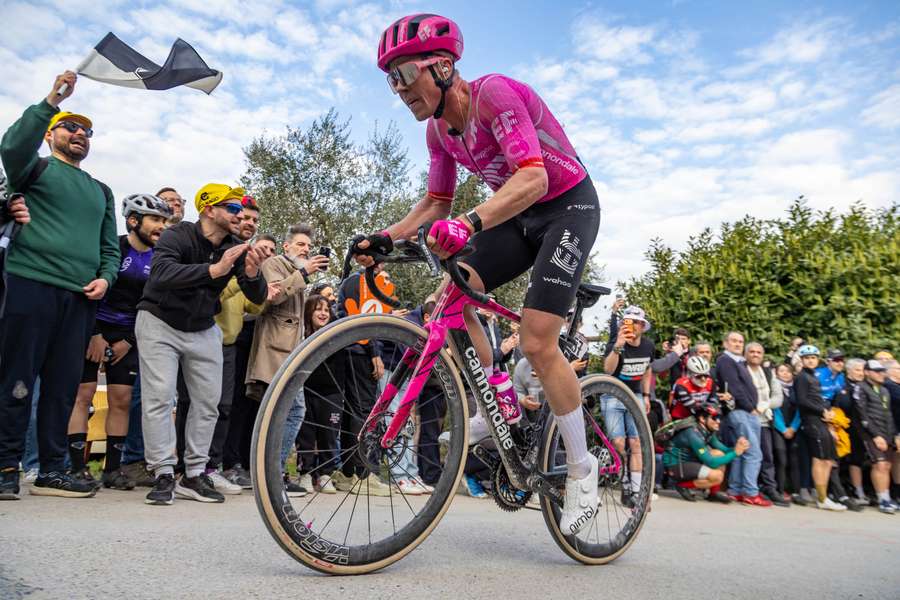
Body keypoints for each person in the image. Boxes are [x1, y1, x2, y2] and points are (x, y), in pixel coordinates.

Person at [358, 13, 601, 534]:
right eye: (390, 80)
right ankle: (502, 404)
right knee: (451, 294)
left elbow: (533, 176)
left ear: (442, 67)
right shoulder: (438, 132)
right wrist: (387, 237)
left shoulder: (495, 96)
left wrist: (470, 221)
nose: (397, 90)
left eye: (403, 75)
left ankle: (583, 469)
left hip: (565, 208)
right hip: (518, 212)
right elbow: (435, 201)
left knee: (537, 343)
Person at [0, 71, 120, 499]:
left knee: (64, 386)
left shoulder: (101, 191)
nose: (80, 134)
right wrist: (52, 100)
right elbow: (11, 146)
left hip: (80, 298)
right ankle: (6, 467)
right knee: (16, 380)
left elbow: (110, 247)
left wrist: (106, 279)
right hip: (30, 283)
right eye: (71, 126)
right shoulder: (33, 169)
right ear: (51, 135)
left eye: (87, 131)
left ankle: (52, 469)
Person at [136, 183, 269, 506]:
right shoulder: (177, 235)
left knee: (209, 403)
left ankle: (194, 474)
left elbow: (259, 297)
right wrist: (216, 269)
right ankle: (163, 473)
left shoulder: (236, 246)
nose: (241, 215)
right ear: (210, 210)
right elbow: (161, 274)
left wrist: (252, 273)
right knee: (160, 397)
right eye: (233, 209)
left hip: (203, 327)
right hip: (159, 322)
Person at [66, 195, 170, 491]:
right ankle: (77, 468)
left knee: (121, 400)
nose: (161, 226)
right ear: (133, 221)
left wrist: (127, 340)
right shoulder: (113, 247)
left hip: (131, 332)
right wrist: (94, 334)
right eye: (155, 219)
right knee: (83, 394)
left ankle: (112, 469)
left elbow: (154, 303)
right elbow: (89, 288)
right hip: (94, 326)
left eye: (163, 220)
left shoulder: (160, 256)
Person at [174, 194, 268, 495]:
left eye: (253, 220)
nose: (247, 223)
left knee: (221, 407)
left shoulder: (247, 257)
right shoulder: (217, 250)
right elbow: (210, 294)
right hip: (200, 333)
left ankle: (208, 468)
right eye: (242, 216)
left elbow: (253, 305)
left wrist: (263, 289)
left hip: (227, 341)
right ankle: (181, 468)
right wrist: (237, 277)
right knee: (191, 404)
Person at [246, 223, 328, 494]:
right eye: (301, 245)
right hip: (274, 349)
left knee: (287, 412)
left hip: (291, 352)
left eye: (308, 246)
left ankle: (273, 470)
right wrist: (304, 272)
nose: (306, 249)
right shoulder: (274, 264)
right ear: (287, 246)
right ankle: (271, 472)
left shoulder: (294, 270)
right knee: (286, 411)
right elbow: (273, 296)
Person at [603, 305, 654, 507]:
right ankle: (624, 482)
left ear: (642, 325)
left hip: (636, 396)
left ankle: (636, 491)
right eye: (627, 321)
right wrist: (618, 345)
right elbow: (608, 370)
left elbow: (648, 369)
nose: (631, 326)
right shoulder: (617, 343)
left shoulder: (649, 345)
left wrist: (647, 395)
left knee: (636, 444)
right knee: (618, 443)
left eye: (635, 322)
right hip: (613, 396)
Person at [295, 294, 343, 494]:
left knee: (329, 434)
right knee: (306, 434)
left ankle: (325, 474)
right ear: (309, 312)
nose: (323, 313)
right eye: (318, 309)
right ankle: (306, 473)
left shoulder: (336, 335)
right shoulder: (301, 336)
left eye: (326, 309)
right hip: (307, 390)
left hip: (332, 392)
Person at [714, 332, 770, 506]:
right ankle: (751, 493)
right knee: (753, 452)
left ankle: (736, 490)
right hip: (742, 412)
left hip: (744, 412)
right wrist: (751, 407)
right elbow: (735, 388)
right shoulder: (726, 360)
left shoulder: (738, 362)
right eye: (734, 341)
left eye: (740, 342)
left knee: (741, 453)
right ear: (725, 343)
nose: (738, 344)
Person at [792, 345, 847, 511]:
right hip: (811, 421)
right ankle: (822, 498)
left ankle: (823, 496)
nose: (810, 360)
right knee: (819, 458)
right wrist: (822, 410)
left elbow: (818, 399)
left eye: (813, 357)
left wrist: (828, 412)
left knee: (827, 459)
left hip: (821, 419)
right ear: (802, 360)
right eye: (807, 358)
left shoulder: (813, 377)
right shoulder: (802, 377)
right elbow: (802, 401)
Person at [662, 400, 748, 503]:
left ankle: (713, 493)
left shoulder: (706, 430)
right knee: (717, 477)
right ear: (702, 418)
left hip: (688, 461)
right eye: (715, 418)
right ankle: (682, 486)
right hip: (676, 466)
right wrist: (735, 453)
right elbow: (711, 462)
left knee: (718, 453)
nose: (718, 422)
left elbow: (723, 450)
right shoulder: (693, 434)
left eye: (720, 418)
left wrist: (738, 447)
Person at [745, 342, 789, 506]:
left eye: (759, 352)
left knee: (767, 457)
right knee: (747, 457)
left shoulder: (768, 374)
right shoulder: (742, 370)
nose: (755, 354)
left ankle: (770, 488)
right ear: (746, 354)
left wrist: (765, 405)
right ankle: (748, 489)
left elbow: (778, 398)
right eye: (752, 351)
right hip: (747, 419)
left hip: (764, 421)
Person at [854, 360, 899, 514]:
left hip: (886, 431)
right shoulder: (860, 388)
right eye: (877, 371)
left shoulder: (884, 390)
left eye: (882, 371)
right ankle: (882, 500)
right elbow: (862, 415)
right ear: (867, 372)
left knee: (887, 465)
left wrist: (894, 436)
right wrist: (875, 435)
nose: (881, 374)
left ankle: (886, 497)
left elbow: (889, 415)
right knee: (879, 464)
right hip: (870, 433)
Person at [772, 363, 813, 505]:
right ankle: (780, 490)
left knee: (795, 460)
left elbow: (800, 410)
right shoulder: (774, 388)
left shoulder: (797, 388)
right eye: (781, 371)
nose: (785, 373)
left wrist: (793, 428)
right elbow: (774, 410)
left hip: (794, 428)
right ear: (776, 373)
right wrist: (783, 429)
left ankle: (796, 492)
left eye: (788, 371)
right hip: (779, 428)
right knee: (781, 458)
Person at [835, 358, 869, 505]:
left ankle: (858, 491)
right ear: (849, 371)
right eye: (857, 370)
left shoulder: (865, 387)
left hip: (859, 431)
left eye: (862, 370)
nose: (861, 373)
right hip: (843, 428)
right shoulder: (842, 387)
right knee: (839, 461)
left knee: (857, 460)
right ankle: (837, 491)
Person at [669, 356, 715, 421]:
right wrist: (707, 407)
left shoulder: (711, 382)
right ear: (690, 374)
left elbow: (713, 402)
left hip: (703, 417)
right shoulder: (681, 384)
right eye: (698, 376)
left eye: (706, 375)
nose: (703, 379)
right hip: (681, 418)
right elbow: (693, 408)